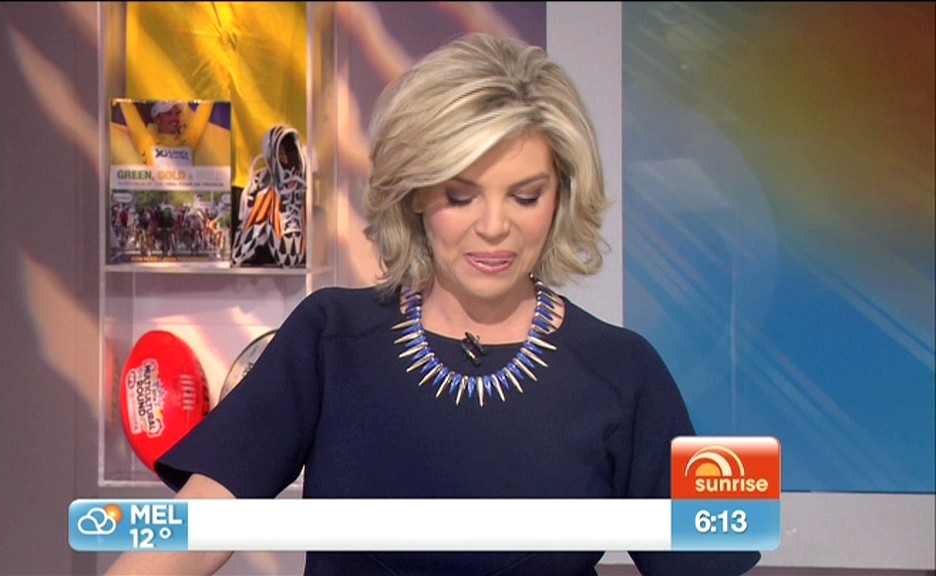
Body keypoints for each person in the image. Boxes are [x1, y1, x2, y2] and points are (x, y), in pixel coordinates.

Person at [106, 33, 761, 576]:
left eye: (525, 196)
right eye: (460, 195)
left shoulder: (622, 372)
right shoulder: (331, 340)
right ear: (416, 194)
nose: (494, 227)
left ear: (561, 197)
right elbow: (195, 530)